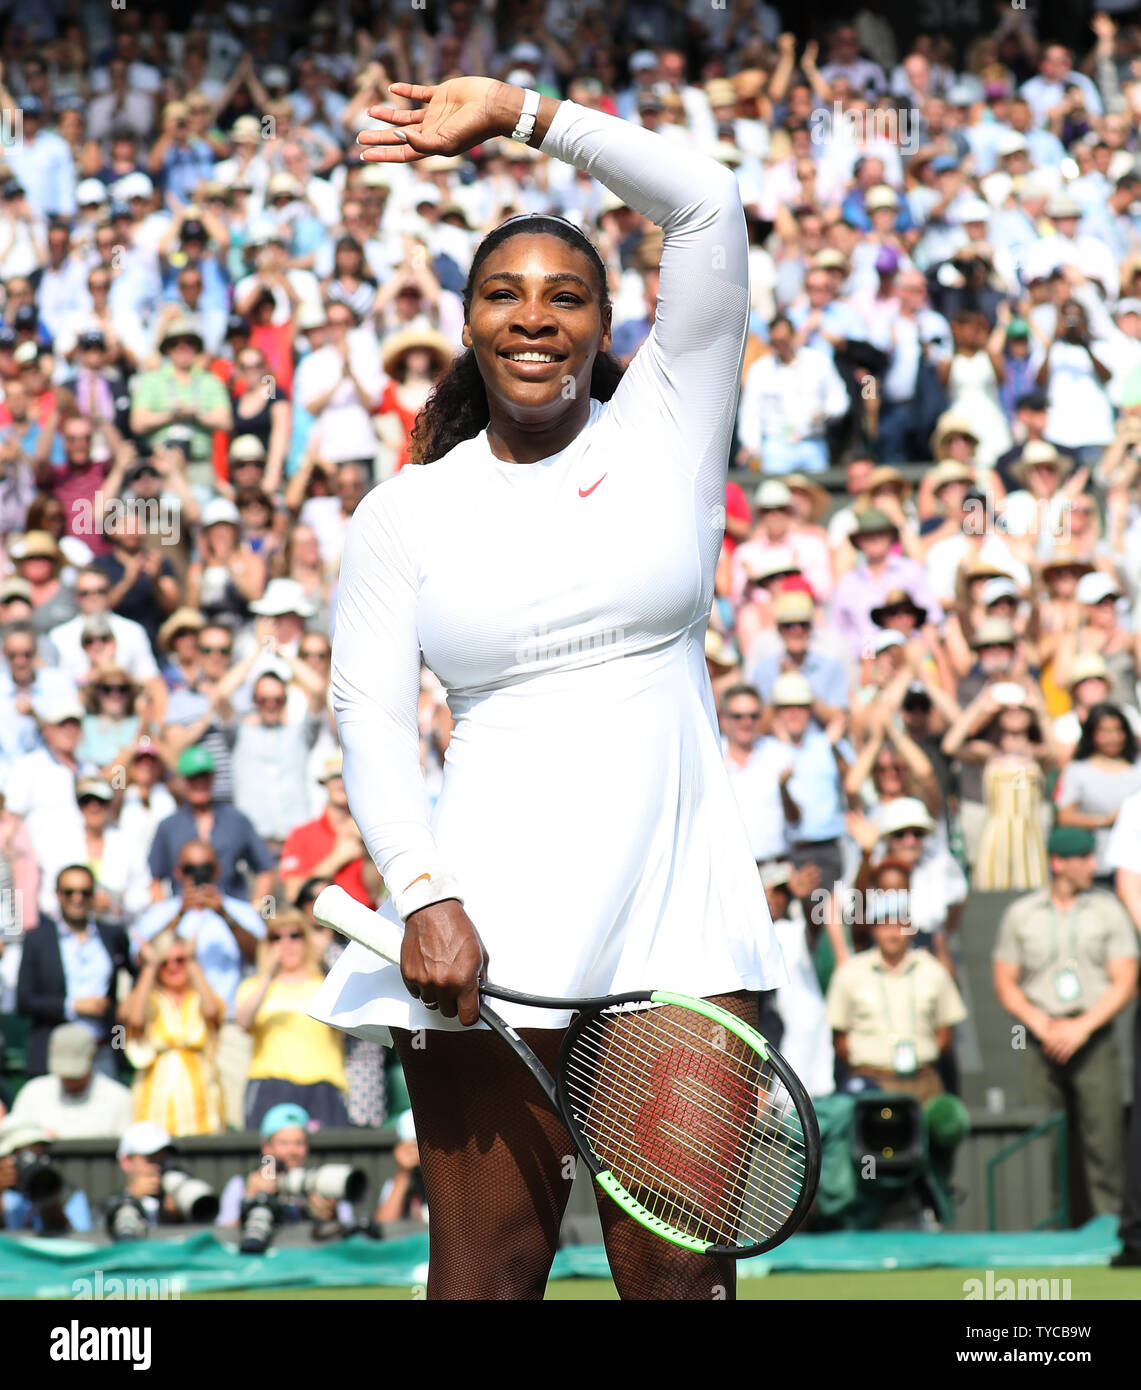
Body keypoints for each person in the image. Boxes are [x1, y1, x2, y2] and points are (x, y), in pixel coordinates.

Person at [311, 76, 786, 1302]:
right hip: (484, 924)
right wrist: (421, 892)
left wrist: (522, 113)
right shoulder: (405, 511)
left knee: (681, 1284)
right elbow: (367, 715)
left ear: (606, 327)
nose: (535, 319)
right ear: (466, 325)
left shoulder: (671, 426)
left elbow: (706, 202)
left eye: (566, 296)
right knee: (485, 1277)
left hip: (678, 916)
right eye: (505, 297)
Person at [994, 827, 1138, 1222]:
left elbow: (1126, 978)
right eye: (1085, 858)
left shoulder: (1108, 909)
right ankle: (1047, 1227)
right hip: (1039, 1036)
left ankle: (1109, 1226)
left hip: (1093, 1033)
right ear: (1059, 863)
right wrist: (1041, 1024)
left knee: (1103, 1136)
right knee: (1042, 1137)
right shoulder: (1021, 913)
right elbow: (1005, 981)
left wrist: (1082, 1027)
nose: (1093, 865)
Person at [827, 861, 967, 1104]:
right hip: (870, 1083)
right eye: (885, 924)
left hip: (923, 1080)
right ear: (874, 929)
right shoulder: (850, 973)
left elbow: (946, 1031)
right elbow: (839, 1037)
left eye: (900, 924)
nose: (893, 933)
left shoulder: (933, 970)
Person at [235, 909, 349, 1129]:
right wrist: (268, 975)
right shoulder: (254, 986)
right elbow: (243, 1021)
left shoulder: (326, 983)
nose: (286, 943)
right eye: (276, 937)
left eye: (295, 935)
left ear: (306, 940)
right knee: (271, 1160)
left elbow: (346, 1026)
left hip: (322, 1085)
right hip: (270, 1085)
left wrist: (323, 953)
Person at [16, 863, 130, 1079]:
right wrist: (74, 1005)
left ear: (93, 895)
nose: (77, 899)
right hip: (55, 1050)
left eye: (84, 892)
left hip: (105, 1046)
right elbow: (24, 1001)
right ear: (58, 895)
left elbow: (130, 979)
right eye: (69, 892)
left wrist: (126, 1006)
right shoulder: (38, 939)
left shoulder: (112, 934)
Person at [120, 923, 225, 1136]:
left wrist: (194, 963)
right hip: (155, 1093)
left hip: (201, 1093)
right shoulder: (147, 998)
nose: (173, 967)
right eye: (164, 963)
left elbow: (213, 1013)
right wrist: (149, 967)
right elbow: (133, 1020)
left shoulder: (200, 996)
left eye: (180, 960)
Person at [216, 1102, 351, 1229]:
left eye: (299, 1143)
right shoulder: (241, 1184)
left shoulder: (320, 1185)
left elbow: (348, 1229)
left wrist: (331, 1215)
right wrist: (250, 1199)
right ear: (266, 1147)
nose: (292, 1151)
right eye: (284, 1143)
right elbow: (224, 1234)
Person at [5, 1022, 133, 1138]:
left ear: (93, 1057)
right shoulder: (32, 1093)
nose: (70, 1081)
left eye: (75, 1076)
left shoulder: (119, 1098)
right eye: (64, 1074)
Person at [0, 1119, 92, 1234]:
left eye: (38, 1155)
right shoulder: (5, 1195)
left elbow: (82, 1241)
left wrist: (49, 1197)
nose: (32, 1163)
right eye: (23, 1157)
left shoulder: (69, 1194)